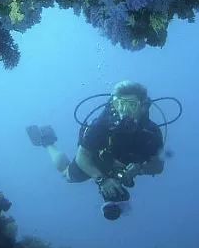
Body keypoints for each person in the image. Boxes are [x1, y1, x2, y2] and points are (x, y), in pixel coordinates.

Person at [26, 80, 165, 219]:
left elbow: (158, 167)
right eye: (119, 104)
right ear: (114, 104)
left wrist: (140, 169)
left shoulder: (152, 133)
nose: (124, 110)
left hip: (123, 165)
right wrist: (101, 180)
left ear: (143, 107)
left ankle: (114, 197)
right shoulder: (102, 124)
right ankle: (48, 142)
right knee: (67, 174)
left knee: (115, 188)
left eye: (131, 105)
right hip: (94, 159)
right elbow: (82, 156)